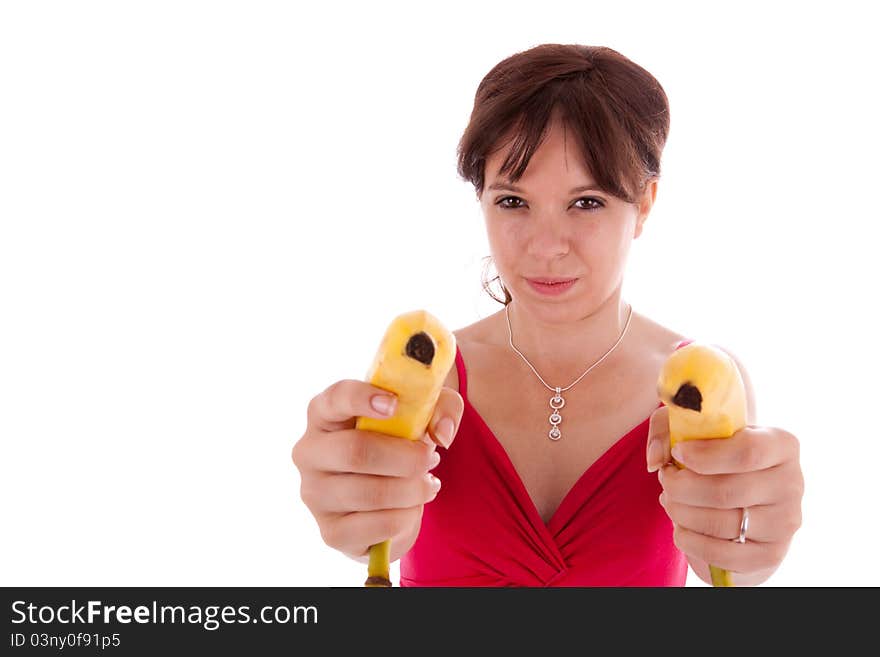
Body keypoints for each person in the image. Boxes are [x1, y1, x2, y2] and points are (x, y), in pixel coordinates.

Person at [291, 43, 804, 586]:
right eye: (513, 201)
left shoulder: (699, 388)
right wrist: (352, 513)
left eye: (587, 202)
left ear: (645, 204)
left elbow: (727, 557)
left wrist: (756, 551)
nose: (546, 246)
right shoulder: (427, 375)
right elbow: (382, 538)